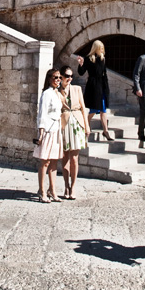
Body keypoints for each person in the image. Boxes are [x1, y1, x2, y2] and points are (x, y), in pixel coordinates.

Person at [58, 64, 90, 200]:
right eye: (67, 76)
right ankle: (66, 185)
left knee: (75, 158)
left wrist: (86, 126)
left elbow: (83, 107)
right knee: (65, 157)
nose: (70, 78)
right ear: (61, 77)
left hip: (77, 124)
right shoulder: (57, 91)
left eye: (71, 76)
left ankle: (73, 186)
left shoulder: (77, 89)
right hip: (64, 124)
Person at [33, 68, 64, 202]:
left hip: (56, 129)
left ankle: (52, 190)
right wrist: (41, 133)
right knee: (45, 161)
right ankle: (41, 190)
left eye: (59, 77)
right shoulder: (46, 94)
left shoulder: (57, 93)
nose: (58, 80)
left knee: (54, 161)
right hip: (47, 130)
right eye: (55, 77)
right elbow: (42, 113)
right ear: (49, 79)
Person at [77, 40, 113, 141]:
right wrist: (81, 64)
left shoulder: (102, 58)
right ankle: (86, 125)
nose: (102, 50)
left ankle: (105, 131)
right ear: (96, 48)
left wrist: (106, 88)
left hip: (102, 85)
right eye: (100, 48)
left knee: (103, 109)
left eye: (102, 48)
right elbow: (81, 72)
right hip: (93, 86)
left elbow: (104, 73)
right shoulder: (88, 59)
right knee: (94, 109)